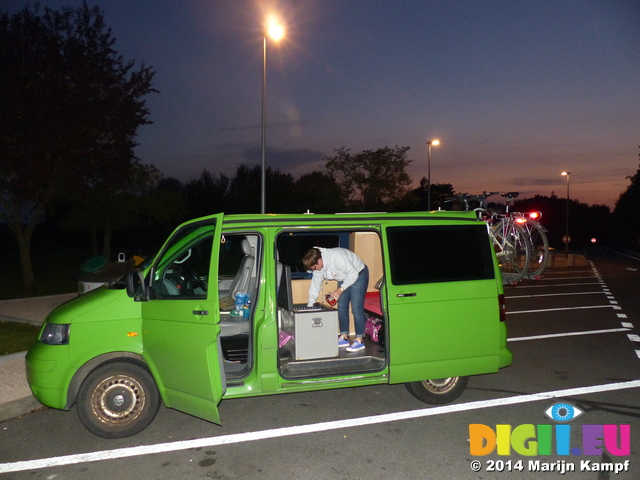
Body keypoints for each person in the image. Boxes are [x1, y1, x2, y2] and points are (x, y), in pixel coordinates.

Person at [302, 247, 369, 352]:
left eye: (315, 267)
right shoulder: (318, 267)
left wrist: (340, 290)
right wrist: (310, 305)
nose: (315, 270)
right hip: (344, 278)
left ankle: (359, 340)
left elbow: (353, 274)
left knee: (356, 308)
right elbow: (315, 285)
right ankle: (344, 337)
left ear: (319, 260)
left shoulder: (337, 258)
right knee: (342, 307)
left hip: (358, 273)